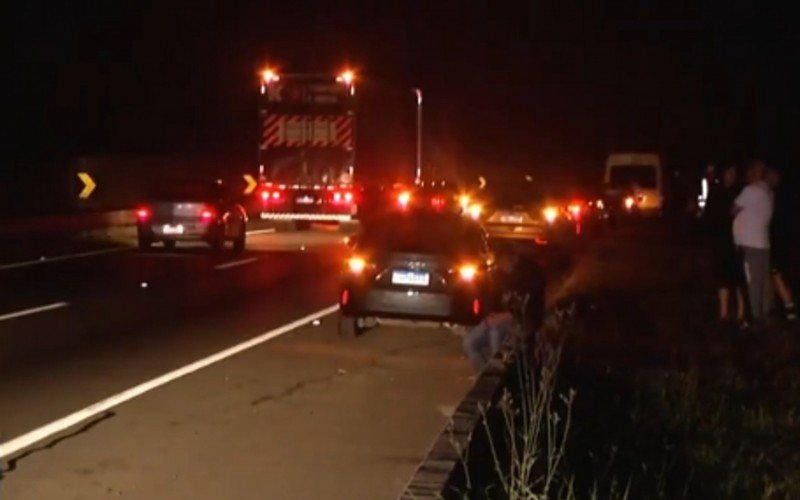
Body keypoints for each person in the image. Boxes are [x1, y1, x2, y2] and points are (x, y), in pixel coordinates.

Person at [462, 244, 544, 372]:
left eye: (502, 262)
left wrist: (505, 317)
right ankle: (484, 373)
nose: (500, 266)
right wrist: (489, 315)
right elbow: (491, 301)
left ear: (511, 259)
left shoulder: (528, 278)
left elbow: (530, 309)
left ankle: (498, 371)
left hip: (520, 321)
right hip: (499, 319)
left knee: (495, 332)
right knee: (469, 343)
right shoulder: (500, 277)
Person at [733, 160, 774, 322]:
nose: (747, 176)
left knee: (752, 282)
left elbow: (733, 209)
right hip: (763, 242)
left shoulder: (750, 191)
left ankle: (754, 315)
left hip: (750, 243)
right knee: (763, 280)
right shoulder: (768, 192)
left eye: (750, 172)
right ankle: (765, 311)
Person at [704, 165, 746, 324]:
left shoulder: (738, 192)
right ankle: (723, 312)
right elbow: (709, 217)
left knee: (738, 278)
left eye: (734, 173)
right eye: (729, 173)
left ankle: (741, 312)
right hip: (721, 241)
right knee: (722, 277)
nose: (731, 176)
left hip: (736, 240)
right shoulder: (716, 193)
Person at [766, 167, 796, 321]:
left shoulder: (779, 195)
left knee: (776, 274)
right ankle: (783, 306)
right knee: (780, 274)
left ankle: (789, 306)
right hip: (786, 240)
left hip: (781, 240)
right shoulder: (784, 193)